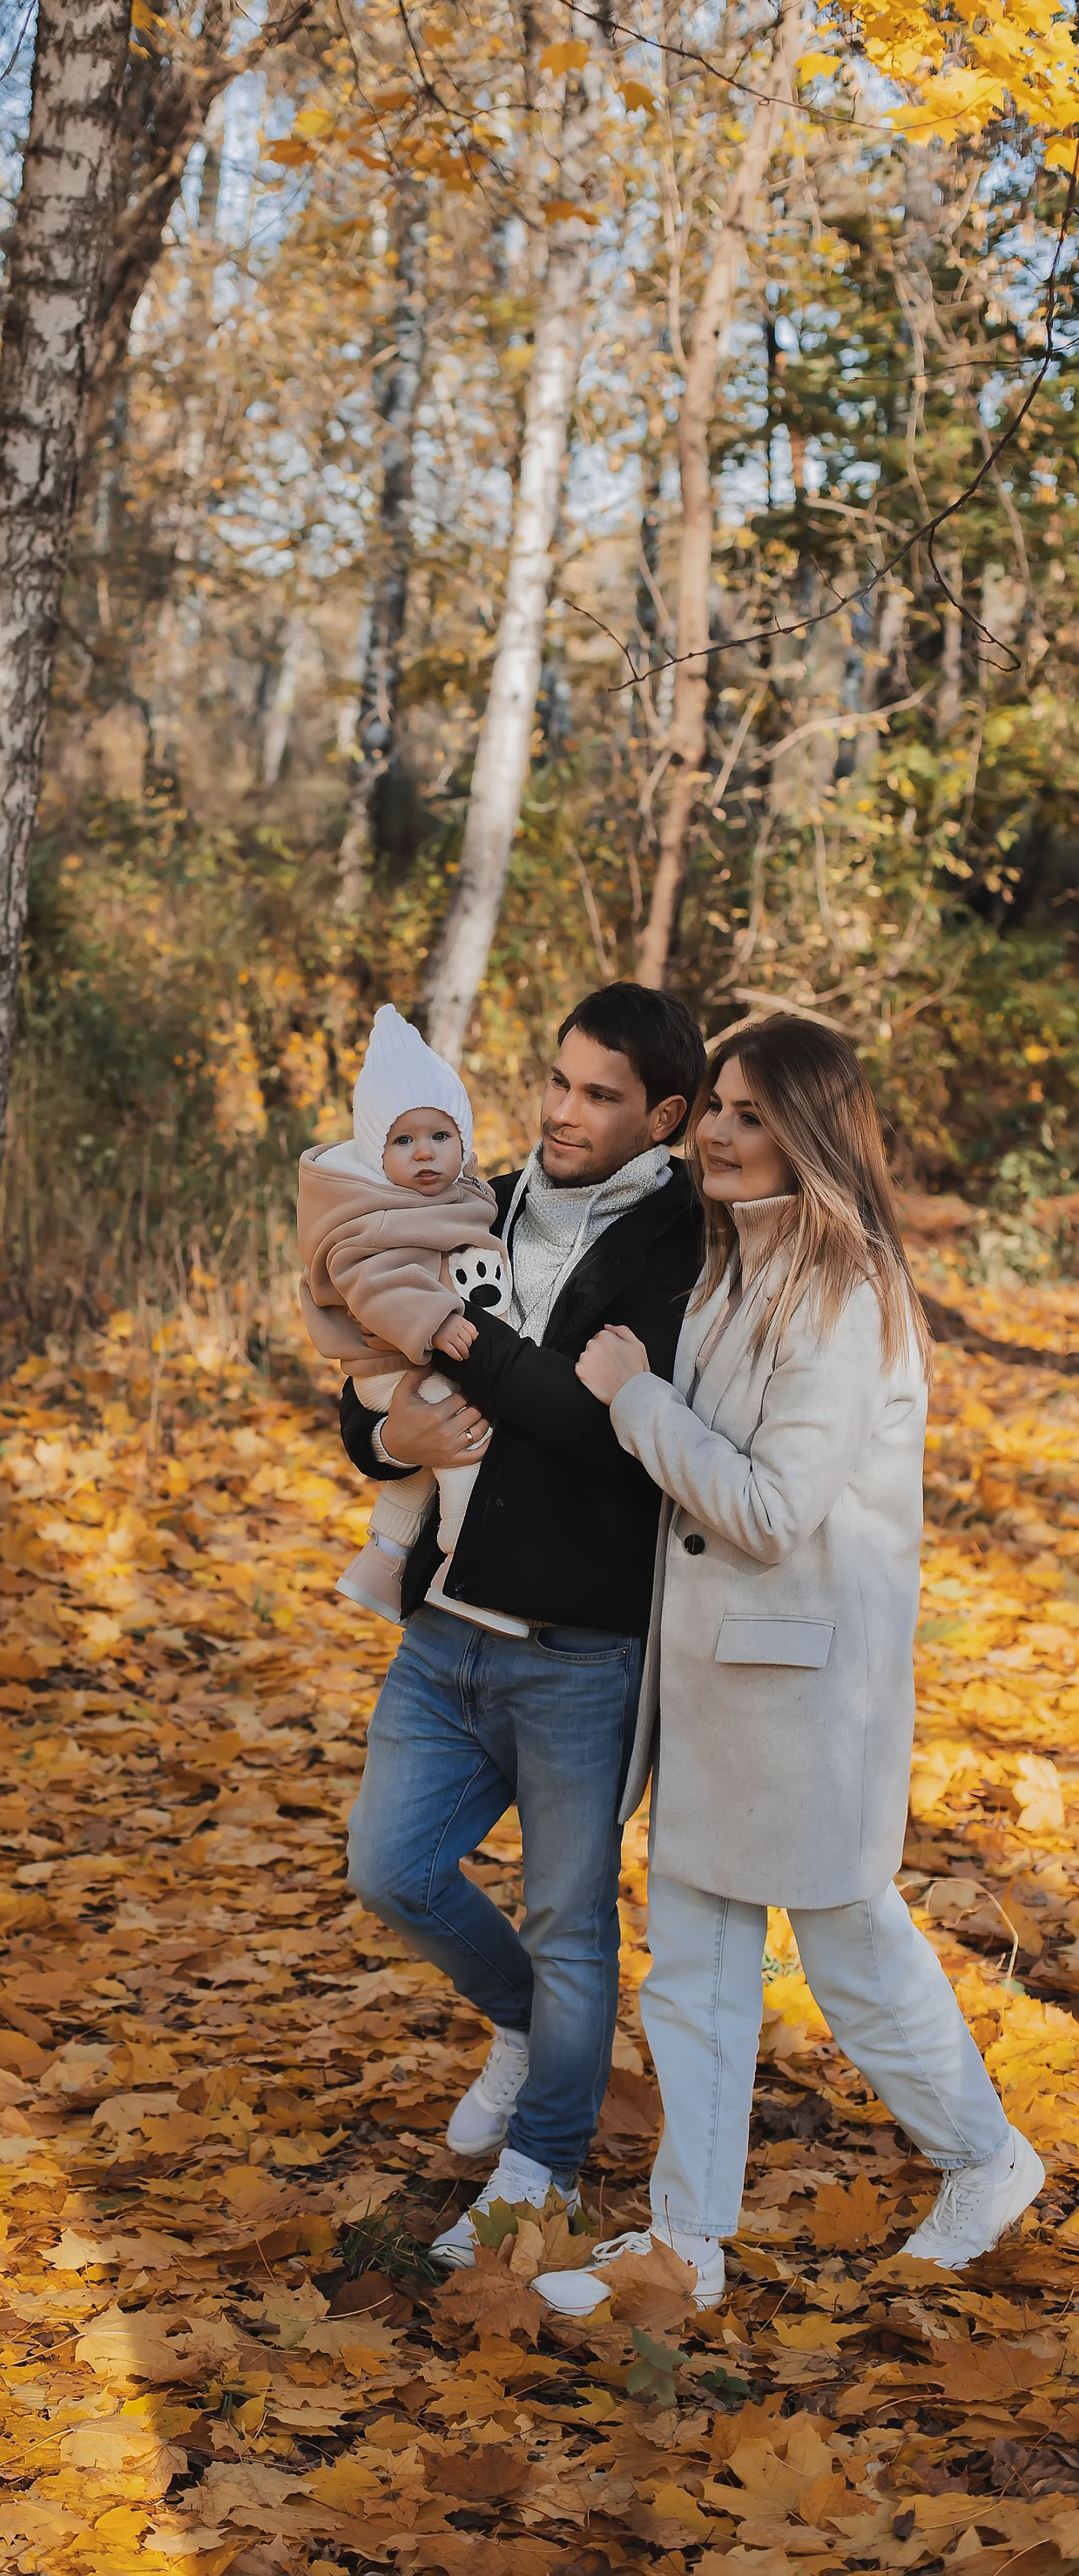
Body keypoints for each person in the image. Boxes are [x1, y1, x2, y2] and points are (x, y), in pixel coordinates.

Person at [536, 1016, 1042, 2317]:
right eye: (715, 1106)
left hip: (807, 1697)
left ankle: (986, 2161)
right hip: (717, 1683)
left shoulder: (849, 1292)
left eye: (752, 1114)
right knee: (696, 1978)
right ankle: (685, 2244)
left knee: (854, 1955)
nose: (716, 1130)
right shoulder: (738, 1265)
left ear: (813, 1131)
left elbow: (768, 1509)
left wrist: (634, 1399)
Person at [339, 984, 708, 2266]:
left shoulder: (685, 1248)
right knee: (389, 1870)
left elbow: (611, 1432)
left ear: (662, 1115)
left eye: (600, 1095)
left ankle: (542, 2167)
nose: (562, 1111)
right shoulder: (470, 1200)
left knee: (569, 1921)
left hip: (582, 1651)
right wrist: (388, 1431)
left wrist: (459, 1338)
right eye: (557, 1081)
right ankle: (518, 2025)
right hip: (444, 1630)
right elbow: (363, 1359)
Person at [298, 1006, 504, 1624]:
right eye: (403, 1141)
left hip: (398, 1360)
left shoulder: (450, 1199)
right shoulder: (377, 1216)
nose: (424, 1155)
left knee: (420, 1469)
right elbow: (374, 1279)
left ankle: (384, 1558)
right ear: (374, 1152)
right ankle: (467, 1569)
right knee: (466, 1442)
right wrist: (435, 1320)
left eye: (441, 1138)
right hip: (396, 1356)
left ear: (463, 1143)